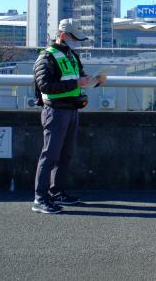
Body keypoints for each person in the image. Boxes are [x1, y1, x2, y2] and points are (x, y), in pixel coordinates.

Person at [32, 19, 105, 214]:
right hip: (55, 111)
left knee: (65, 155)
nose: (77, 42)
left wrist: (95, 81)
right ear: (63, 35)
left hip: (71, 110)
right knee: (49, 156)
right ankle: (40, 199)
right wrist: (77, 83)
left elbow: (80, 79)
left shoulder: (71, 56)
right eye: (74, 38)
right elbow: (45, 86)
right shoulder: (46, 57)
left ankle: (57, 192)